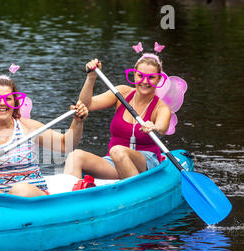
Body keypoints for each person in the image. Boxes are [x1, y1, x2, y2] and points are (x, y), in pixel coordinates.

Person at [0, 70, 89, 197]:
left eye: (8, 98)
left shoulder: (28, 126)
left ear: (15, 102)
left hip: (31, 195)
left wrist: (78, 121)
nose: (2, 103)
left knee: (19, 190)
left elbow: (66, 145)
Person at [64, 43, 173, 180]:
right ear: (134, 75)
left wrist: (154, 127)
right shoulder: (121, 93)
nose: (145, 81)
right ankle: (71, 198)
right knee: (75, 156)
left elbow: (161, 128)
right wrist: (91, 77)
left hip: (146, 162)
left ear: (159, 80)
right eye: (140, 76)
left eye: (151, 77)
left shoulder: (161, 108)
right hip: (115, 161)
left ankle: (136, 192)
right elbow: (86, 105)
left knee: (118, 150)